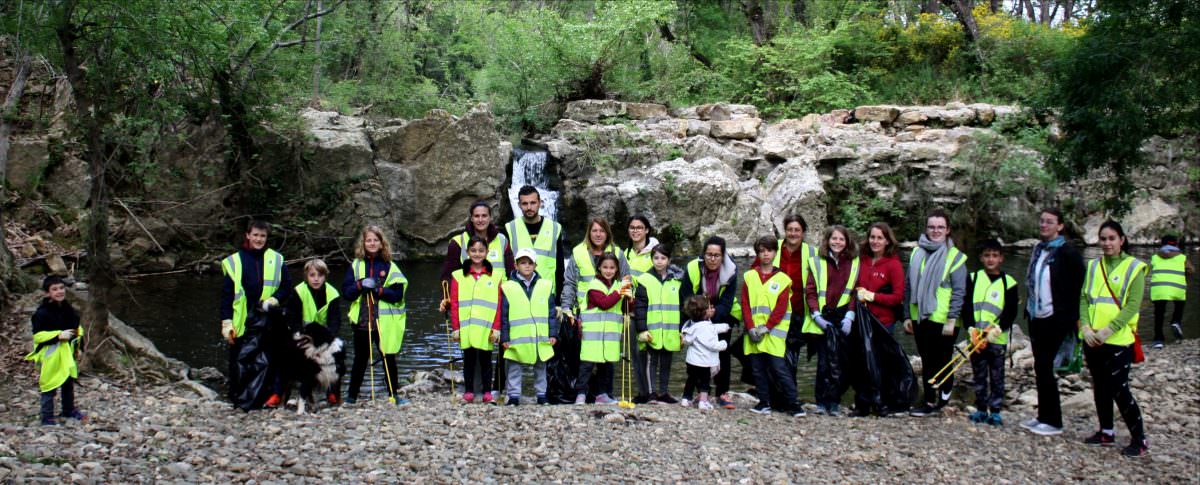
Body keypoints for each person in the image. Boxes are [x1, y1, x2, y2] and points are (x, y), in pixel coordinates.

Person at [1079, 220, 1149, 457]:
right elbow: (1084, 299)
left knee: (1120, 389)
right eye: (1103, 239)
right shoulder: (1092, 266)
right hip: (1092, 339)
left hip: (1118, 340)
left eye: (1111, 238)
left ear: (1122, 240)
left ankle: (1139, 439)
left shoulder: (1134, 267)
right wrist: (1086, 328)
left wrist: (1109, 330)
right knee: (1100, 386)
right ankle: (1106, 431)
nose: (1107, 243)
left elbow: (1132, 305)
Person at [1020, 208, 1085, 436]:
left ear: (1060, 226)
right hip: (1037, 315)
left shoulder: (1068, 252)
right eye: (1042, 222)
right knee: (1040, 366)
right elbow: (1033, 281)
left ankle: (1054, 421)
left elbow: (1079, 285)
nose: (1044, 225)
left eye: (1049, 222)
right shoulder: (1038, 249)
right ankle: (1043, 415)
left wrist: (1073, 317)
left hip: (1056, 318)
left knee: (1046, 366)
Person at [220, 220, 292, 410]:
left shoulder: (277, 259)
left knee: (268, 360)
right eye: (256, 235)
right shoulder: (234, 261)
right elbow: (227, 296)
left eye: (263, 236)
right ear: (248, 235)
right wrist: (226, 322)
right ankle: (238, 399)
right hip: (242, 320)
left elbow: (286, 287)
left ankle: (265, 399)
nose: (259, 239)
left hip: (268, 318)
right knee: (239, 361)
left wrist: (274, 300)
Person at [904, 209, 967, 417]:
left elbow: (959, 291)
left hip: (943, 319)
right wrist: (906, 315)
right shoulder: (916, 252)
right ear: (926, 228)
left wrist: (952, 318)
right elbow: (909, 287)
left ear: (948, 230)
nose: (935, 231)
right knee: (927, 359)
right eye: (932, 227)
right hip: (920, 316)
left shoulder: (955, 257)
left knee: (942, 360)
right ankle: (930, 400)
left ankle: (944, 398)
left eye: (940, 227)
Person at [342, 225, 409, 405]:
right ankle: (351, 397)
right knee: (360, 359)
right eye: (368, 240)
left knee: (389, 357)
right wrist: (359, 285)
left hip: (384, 321)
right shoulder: (356, 265)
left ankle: (394, 395)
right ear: (363, 244)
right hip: (363, 320)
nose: (372, 243)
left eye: (375, 240)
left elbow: (398, 295)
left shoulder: (390, 266)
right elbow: (346, 293)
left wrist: (379, 290)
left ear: (381, 243)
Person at [804, 226, 861, 416]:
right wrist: (816, 315)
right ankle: (821, 402)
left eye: (841, 239)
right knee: (823, 364)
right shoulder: (816, 262)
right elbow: (810, 291)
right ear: (827, 240)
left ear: (847, 242)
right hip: (824, 318)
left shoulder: (853, 262)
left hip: (843, 317)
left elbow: (855, 292)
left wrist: (850, 316)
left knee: (841, 363)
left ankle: (835, 402)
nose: (837, 242)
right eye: (834, 239)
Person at [962, 239, 1018, 426]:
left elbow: (1011, 311)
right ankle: (980, 408)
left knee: (996, 374)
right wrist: (970, 328)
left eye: (994, 255)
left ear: (1001, 258)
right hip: (976, 336)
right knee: (978, 373)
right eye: (987, 255)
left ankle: (995, 410)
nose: (991, 259)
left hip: (997, 338)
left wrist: (998, 329)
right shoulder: (973, 278)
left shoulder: (1008, 282)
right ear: (981, 258)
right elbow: (967, 306)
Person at [680, 236, 741, 409]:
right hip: (697, 313)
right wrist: (700, 314)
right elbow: (686, 295)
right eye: (709, 255)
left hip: (723, 314)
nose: (712, 259)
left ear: (723, 256)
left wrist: (715, 314)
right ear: (703, 254)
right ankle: (701, 392)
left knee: (722, 352)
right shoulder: (693, 268)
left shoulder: (731, 270)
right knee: (697, 354)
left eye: (716, 255)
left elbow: (728, 301)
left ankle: (722, 392)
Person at [740, 236, 798, 416]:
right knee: (757, 370)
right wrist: (750, 327)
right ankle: (763, 402)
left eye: (769, 250)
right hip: (753, 333)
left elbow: (781, 309)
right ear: (758, 253)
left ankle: (794, 404)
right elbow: (745, 304)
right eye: (762, 251)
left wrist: (767, 327)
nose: (766, 254)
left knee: (779, 369)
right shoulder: (750, 276)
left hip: (773, 334)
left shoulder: (783, 279)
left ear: (775, 252)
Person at [771, 215, 819, 410]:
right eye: (789, 229)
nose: (793, 233)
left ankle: (790, 397)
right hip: (774, 311)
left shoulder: (811, 252)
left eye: (797, 230)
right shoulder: (774, 249)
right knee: (774, 355)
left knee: (792, 356)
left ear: (803, 232)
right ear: (785, 230)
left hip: (798, 310)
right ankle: (777, 397)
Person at [500, 248, 559, 406]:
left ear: (535, 265)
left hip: (540, 336)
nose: (526, 266)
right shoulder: (508, 287)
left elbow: (551, 313)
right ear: (516, 265)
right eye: (523, 263)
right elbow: (504, 316)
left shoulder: (545, 285)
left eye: (530, 263)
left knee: (541, 367)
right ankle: (513, 396)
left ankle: (541, 395)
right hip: (517, 337)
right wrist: (505, 337)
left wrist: (553, 334)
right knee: (514, 367)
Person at [448, 236, 503, 404]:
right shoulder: (458, 276)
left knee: (487, 360)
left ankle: (487, 391)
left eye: (481, 250)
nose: (477, 254)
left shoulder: (496, 275)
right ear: (467, 252)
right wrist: (456, 327)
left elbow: (499, 304)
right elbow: (455, 303)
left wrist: (497, 327)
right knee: (469, 360)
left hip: (486, 326)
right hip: (467, 327)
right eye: (473, 250)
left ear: (487, 252)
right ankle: (469, 390)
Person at [26, 276, 86, 426]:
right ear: (47, 293)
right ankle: (47, 417)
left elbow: (77, 328)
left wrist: (80, 347)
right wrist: (58, 336)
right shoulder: (41, 313)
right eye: (55, 289)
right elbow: (38, 336)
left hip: (68, 352)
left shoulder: (68, 308)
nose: (59, 292)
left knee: (68, 381)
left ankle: (68, 409)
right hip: (51, 354)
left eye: (61, 288)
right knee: (49, 385)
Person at [286, 259, 345, 405]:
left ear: (325, 276)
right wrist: (298, 334)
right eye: (312, 275)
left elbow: (335, 319)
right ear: (307, 276)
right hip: (303, 335)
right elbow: (292, 316)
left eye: (320, 275)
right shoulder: (298, 291)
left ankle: (333, 392)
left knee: (338, 355)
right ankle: (281, 392)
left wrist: (328, 341)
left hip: (325, 337)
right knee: (287, 357)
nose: (316, 279)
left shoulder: (332, 293)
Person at [574, 253, 629, 405]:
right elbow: (604, 303)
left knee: (607, 366)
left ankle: (603, 394)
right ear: (599, 267)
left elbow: (627, 307)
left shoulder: (619, 286)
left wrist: (629, 298)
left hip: (610, 335)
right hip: (592, 335)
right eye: (605, 267)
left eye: (612, 267)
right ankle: (581, 394)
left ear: (617, 268)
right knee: (587, 366)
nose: (609, 270)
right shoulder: (594, 286)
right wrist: (620, 292)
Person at [633, 244, 684, 404]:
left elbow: (682, 307)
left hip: (670, 331)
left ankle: (664, 392)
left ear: (669, 260)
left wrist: (683, 330)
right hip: (652, 331)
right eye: (656, 258)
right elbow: (640, 306)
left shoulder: (677, 281)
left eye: (663, 258)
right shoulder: (645, 280)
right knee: (651, 362)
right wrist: (642, 329)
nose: (659, 261)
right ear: (651, 259)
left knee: (666, 362)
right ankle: (651, 393)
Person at [622, 215, 660, 402]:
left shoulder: (655, 253)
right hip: (630, 309)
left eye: (639, 227)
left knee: (650, 352)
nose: (635, 231)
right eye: (632, 227)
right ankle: (643, 392)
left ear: (646, 230)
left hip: (650, 308)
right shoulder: (625, 253)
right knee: (635, 352)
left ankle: (654, 391)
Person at [560, 218, 629, 322]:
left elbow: (627, 281)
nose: (598, 234)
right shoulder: (578, 252)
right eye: (594, 231)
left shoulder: (618, 253)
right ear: (589, 233)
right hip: (584, 314)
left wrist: (627, 310)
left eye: (602, 231)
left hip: (612, 314)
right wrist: (566, 308)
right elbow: (570, 283)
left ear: (607, 233)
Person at [503, 186, 567, 294]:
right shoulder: (510, 228)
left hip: (547, 293)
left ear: (540, 203)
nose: (529, 207)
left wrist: (559, 300)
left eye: (533, 203)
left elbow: (560, 266)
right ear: (519, 205)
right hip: (519, 293)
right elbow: (506, 266)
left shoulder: (554, 228)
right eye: (524, 204)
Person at [441, 200, 514, 286]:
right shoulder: (458, 242)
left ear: (490, 217)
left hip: (499, 296)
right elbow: (448, 277)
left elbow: (511, 273)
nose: (480, 220)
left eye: (484, 216)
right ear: (471, 218)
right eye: (476, 216)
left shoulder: (502, 240)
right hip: (469, 296)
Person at [680, 296, 729, 411]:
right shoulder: (705, 327)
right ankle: (703, 401)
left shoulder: (692, 325)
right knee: (705, 382)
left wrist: (723, 327)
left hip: (692, 361)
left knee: (691, 379)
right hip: (704, 362)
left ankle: (685, 399)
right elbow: (712, 345)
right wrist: (724, 344)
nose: (712, 308)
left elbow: (711, 328)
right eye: (709, 307)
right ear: (704, 312)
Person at [855, 222, 905, 331]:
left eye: (880, 238)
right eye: (872, 237)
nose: (875, 241)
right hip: (861, 319)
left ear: (887, 241)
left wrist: (872, 296)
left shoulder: (894, 264)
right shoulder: (862, 260)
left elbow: (898, 298)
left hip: (883, 323)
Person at [1149, 234, 1192, 349]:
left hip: (1159, 289)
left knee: (1159, 314)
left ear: (1162, 244)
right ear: (1176, 244)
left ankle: (1158, 339)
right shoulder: (1182, 257)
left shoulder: (1155, 257)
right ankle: (1176, 321)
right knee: (1180, 303)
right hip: (1177, 288)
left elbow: (1150, 269)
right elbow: (1191, 271)